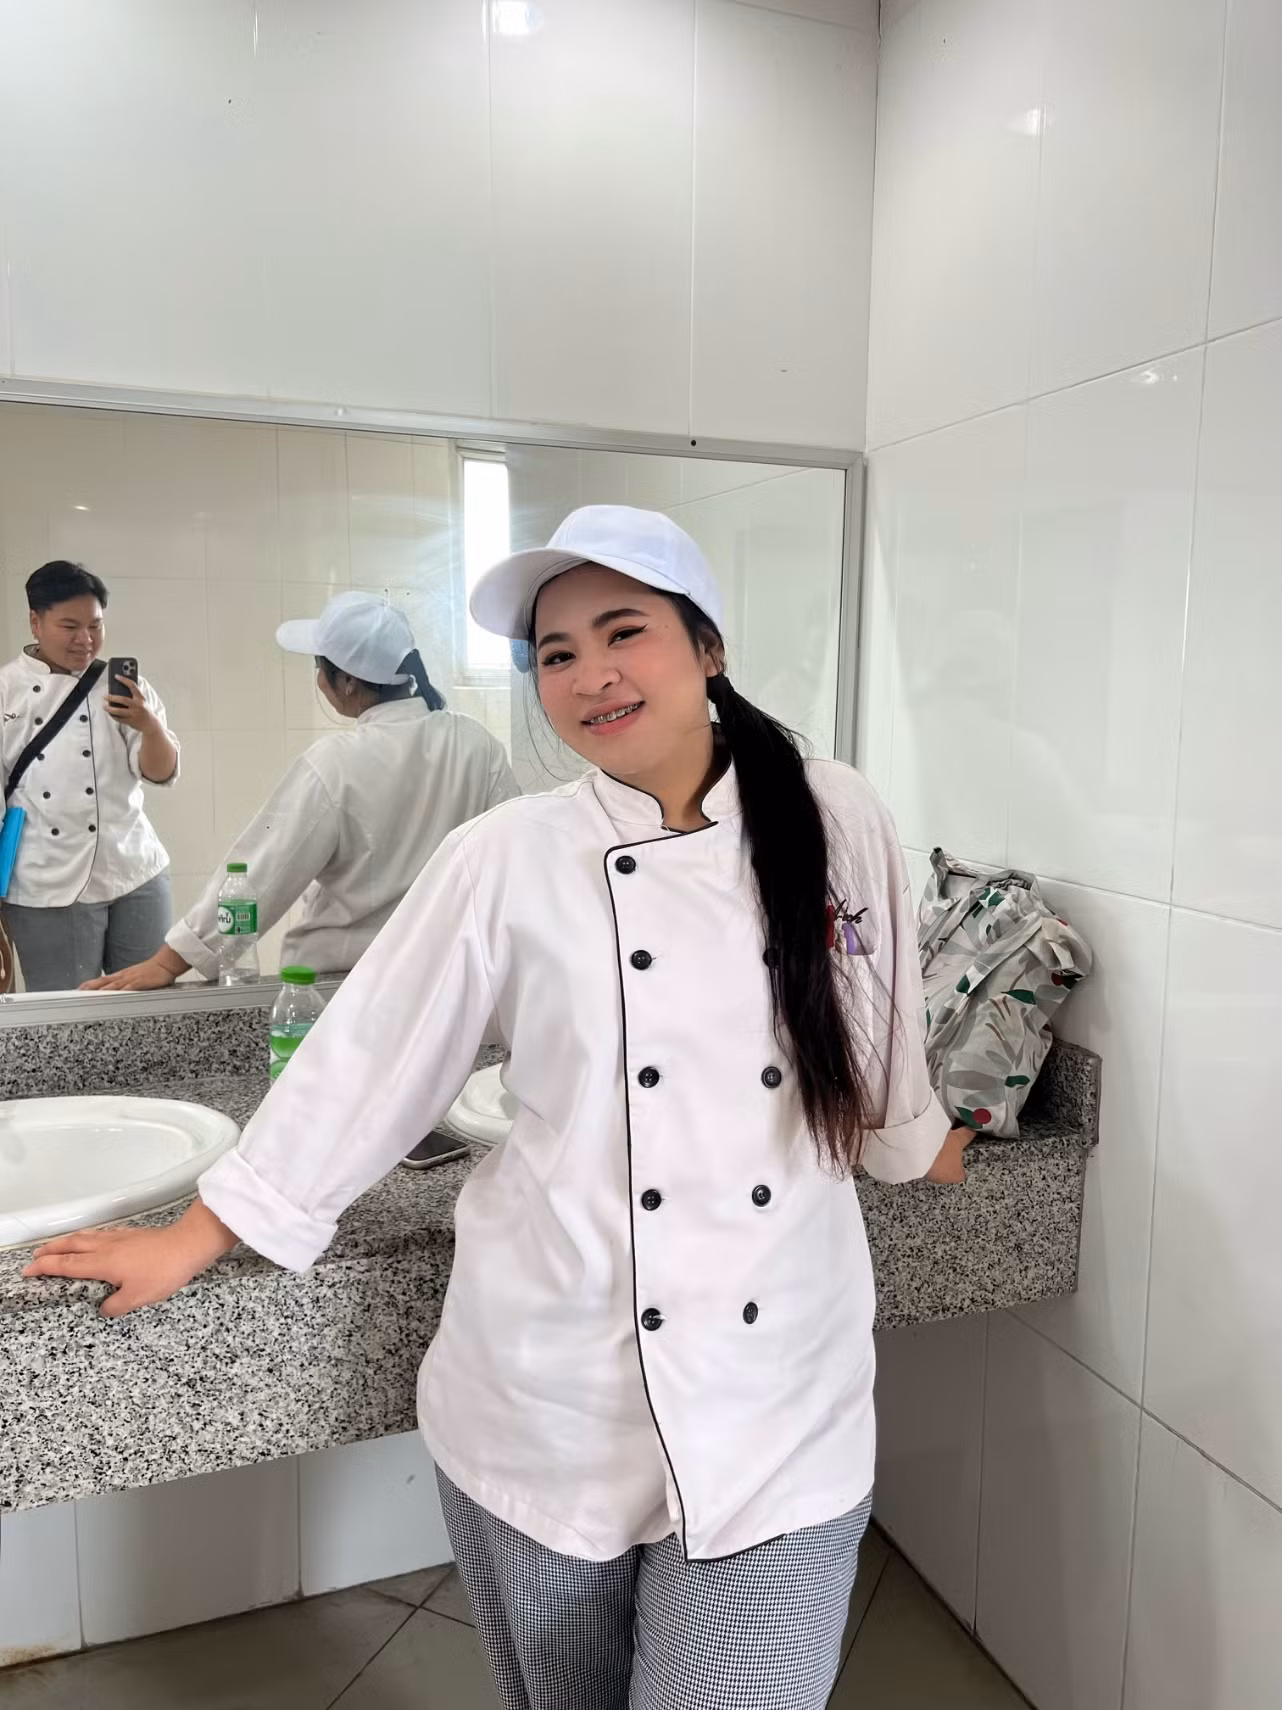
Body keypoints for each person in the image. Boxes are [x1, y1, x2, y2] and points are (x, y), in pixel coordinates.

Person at [27, 507, 973, 1710]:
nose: (588, 675)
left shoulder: (835, 811)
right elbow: (370, 1058)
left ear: (708, 645)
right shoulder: (508, 852)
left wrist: (921, 1142)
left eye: (622, 632)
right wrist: (202, 1231)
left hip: (781, 1398)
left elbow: (876, 1033)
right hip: (546, 1400)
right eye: (555, 654)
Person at [87, 590, 518, 992]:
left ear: (346, 682)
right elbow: (512, 861)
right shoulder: (477, 744)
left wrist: (169, 962)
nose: (319, 681)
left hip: (341, 988)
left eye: (319, 667)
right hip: (444, 977)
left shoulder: (335, 762)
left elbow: (260, 872)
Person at [0, 560, 179, 992]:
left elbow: (161, 773)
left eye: (95, 626)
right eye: (70, 626)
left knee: (148, 1009)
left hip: (135, 870)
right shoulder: (6, 690)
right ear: (36, 622)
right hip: (46, 884)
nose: (85, 640)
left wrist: (150, 726)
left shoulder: (121, 686)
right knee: (67, 1016)